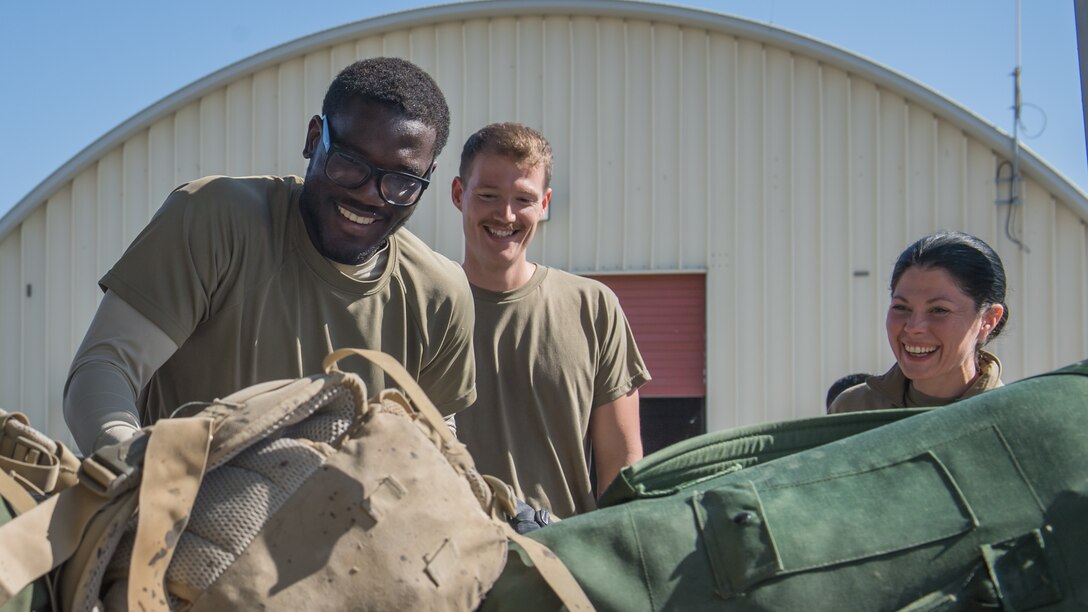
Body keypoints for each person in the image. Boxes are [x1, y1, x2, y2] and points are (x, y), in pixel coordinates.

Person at [64, 57, 475, 456]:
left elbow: (437, 434)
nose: (369, 194)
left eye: (402, 181)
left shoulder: (439, 293)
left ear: (427, 179)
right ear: (315, 138)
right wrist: (141, 472)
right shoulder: (215, 218)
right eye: (350, 163)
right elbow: (105, 368)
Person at [451, 122, 650, 518]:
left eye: (523, 198)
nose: (505, 214)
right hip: (450, 568)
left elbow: (623, 466)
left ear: (545, 204)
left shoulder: (592, 308)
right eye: (488, 195)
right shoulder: (425, 304)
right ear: (459, 194)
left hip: (563, 563)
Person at [828, 231, 1008, 414]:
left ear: (988, 320)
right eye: (901, 307)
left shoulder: (1015, 420)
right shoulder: (853, 410)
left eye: (939, 310)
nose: (914, 327)